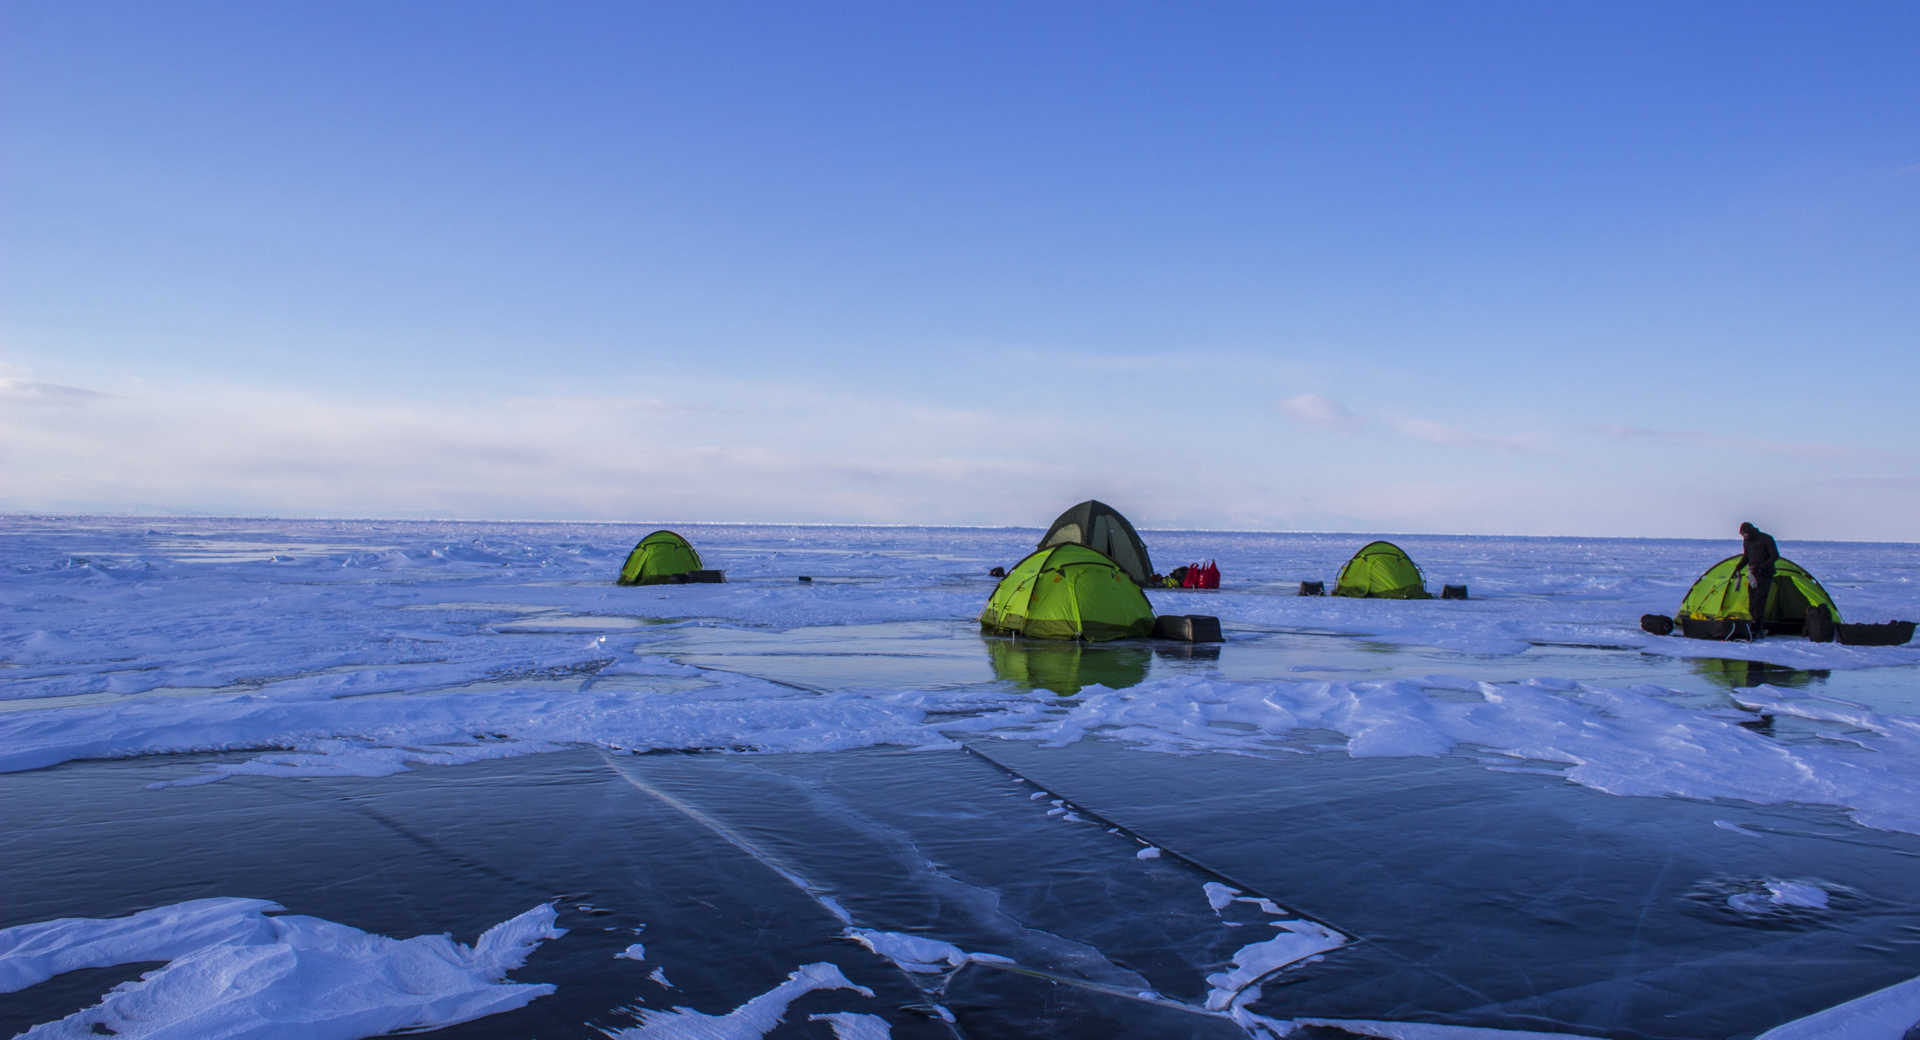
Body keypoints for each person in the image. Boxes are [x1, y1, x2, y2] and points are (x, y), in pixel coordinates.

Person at [1737, 522, 1778, 637]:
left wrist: (1761, 567)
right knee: (1752, 602)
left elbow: (1775, 556)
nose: (1744, 537)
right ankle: (1753, 626)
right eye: (1742, 535)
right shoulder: (1747, 541)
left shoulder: (1766, 539)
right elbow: (1746, 556)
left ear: (1750, 531)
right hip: (1753, 575)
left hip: (1765, 575)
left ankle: (1757, 629)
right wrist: (1738, 567)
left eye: (1745, 534)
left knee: (1759, 602)